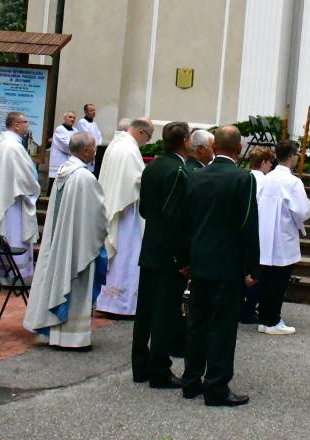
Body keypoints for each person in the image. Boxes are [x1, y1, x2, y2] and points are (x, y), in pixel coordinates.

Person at [180, 125, 260, 407]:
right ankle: (216, 386)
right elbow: (248, 223)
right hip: (227, 263)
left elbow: (186, 222)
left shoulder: (196, 176)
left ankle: (191, 381)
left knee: (196, 322)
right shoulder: (243, 178)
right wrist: (253, 266)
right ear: (239, 148)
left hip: (200, 260)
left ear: (214, 147)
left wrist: (185, 259)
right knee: (223, 326)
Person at [24, 131, 108, 349]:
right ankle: (73, 338)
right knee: (75, 285)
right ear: (85, 150)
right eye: (94, 148)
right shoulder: (84, 177)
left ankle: (54, 334)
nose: (95, 152)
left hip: (61, 240)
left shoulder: (64, 171)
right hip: (77, 244)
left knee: (57, 279)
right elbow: (96, 215)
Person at [132, 121, 192, 388]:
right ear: (186, 142)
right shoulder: (178, 171)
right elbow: (176, 218)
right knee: (164, 313)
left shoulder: (153, 165)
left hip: (150, 246)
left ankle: (140, 364)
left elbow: (145, 209)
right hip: (168, 253)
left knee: (145, 311)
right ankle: (159, 369)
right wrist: (183, 258)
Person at [95, 117, 154, 316]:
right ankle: (121, 305)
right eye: (148, 137)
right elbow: (136, 182)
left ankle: (108, 301)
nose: (147, 142)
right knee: (126, 256)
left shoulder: (115, 144)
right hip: (126, 212)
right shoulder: (129, 150)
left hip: (115, 207)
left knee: (119, 258)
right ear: (141, 131)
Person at [0, 112, 40, 283]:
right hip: (13, 201)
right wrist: (34, 187)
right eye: (25, 122)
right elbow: (23, 177)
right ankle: (14, 275)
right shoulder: (12, 147)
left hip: (8, 196)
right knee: (13, 233)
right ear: (16, 125)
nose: (27, 125)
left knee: (7, 234)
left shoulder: (6, 143)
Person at [255, 139, 310, 335]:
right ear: (292, 157)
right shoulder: (293, 182)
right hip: (282, 236)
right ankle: (273, 320)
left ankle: (264, 319)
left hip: (264, 234)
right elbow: (302, 211)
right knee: (279, 281)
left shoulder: (266, 179)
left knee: (265, 279)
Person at [242, 146, 276, 323]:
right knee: (256, 272)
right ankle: (248, 310)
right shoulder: (265, 182)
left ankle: (241, 306)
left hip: (242, 230)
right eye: (269, 162)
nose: (271, 166)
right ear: (263, 162)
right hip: (259, 230)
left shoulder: (244, 178)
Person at [49, 109, 78, 187]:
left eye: (74, 118)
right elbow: (66, 144)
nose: (72, 119)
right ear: (65, 118)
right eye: (70, 117)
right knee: (55, 183)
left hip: (70, 160)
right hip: (60, 160)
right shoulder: (60, 129)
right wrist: (77, 150)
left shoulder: (75, 130)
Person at [77, 103, 103, 172]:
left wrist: (97, 147)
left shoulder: (94, 124)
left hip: (95, 151)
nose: (94, 112)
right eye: (91, 110)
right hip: (88, 152)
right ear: (86, 112)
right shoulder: (82, 122)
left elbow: (99, 136)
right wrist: (92, 150)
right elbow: (86, 137)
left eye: (94, 110)